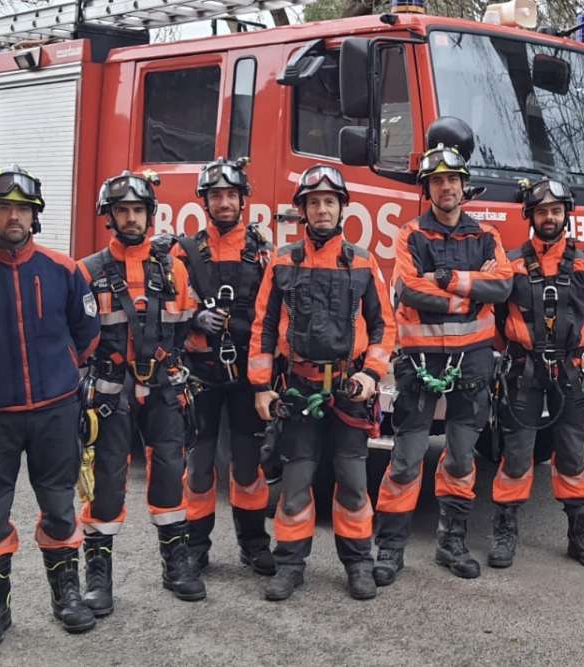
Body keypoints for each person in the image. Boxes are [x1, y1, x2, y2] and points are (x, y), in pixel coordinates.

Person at [371, 117, 513, 586]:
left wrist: (451, 282)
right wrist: (473, 291)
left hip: (472, 360)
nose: (446, 187)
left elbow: (504, 283)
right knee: (407, 458)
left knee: (460, 457)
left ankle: (451, 544)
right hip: (419, 364)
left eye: (452, 179)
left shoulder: (485, 236)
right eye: (437, 181)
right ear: (427, 188)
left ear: (463, 185)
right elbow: (409, 290)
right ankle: (389, 549)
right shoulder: (411, 235)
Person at [0, 165, 101, 650]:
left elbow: (86, 336)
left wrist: (63, 370)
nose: (14, 217)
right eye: (4, 208)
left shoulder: (65, 271)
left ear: (35, 217)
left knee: (60, 509)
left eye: (23, 209)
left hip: (54, 412)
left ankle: (66, 597)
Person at [249, 164, 396, 601]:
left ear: (342, 208)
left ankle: (358, 564)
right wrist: (261, 386)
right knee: (295, 483)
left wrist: (371, 375)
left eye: (330, 202)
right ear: (302, 211)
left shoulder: (364, 263)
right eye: (314, 203)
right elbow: (263, 325)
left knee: (352, 481)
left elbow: (384, 327)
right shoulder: (282, 262)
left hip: (350, 391)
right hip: (298, 389)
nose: (322, 209)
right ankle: (290, 564)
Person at [77, 171, 204, 614]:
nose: (131, 218)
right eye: (122, 211)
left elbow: (186, 328)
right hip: (110, 391)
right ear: (109, 216)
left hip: (165, 387)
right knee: (107, 478)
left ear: (149, 215)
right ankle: (98, 577)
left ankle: (176, 566)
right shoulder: (87, 272)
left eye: (138, 210)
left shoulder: (175, 269)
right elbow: (74, 339)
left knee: (170, 472)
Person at [490, 177, 584, 569]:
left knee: (572, 453)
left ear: (566, 215)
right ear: (530, 216)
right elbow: (495, 318)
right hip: (523, 370)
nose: (550, 218)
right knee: (517, 454)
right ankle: (505, 532)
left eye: (556, 211)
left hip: (570, 370)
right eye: (542, 212)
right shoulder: (511, 264)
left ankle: (580, 535)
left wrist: (575, 349)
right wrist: (516, 352)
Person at [173, 157, 274, 576]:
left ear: (242, 200)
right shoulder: (184, 252)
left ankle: (253, 544)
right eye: (217, 195)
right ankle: (196, 547)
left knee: (248, 465)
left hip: (247, 378)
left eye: (231, 195)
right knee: (198, 468)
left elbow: (274, 314)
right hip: (202, 375)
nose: (225, 202)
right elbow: (167, 306)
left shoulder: (262, 254)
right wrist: (193, 317)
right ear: (205, 201)